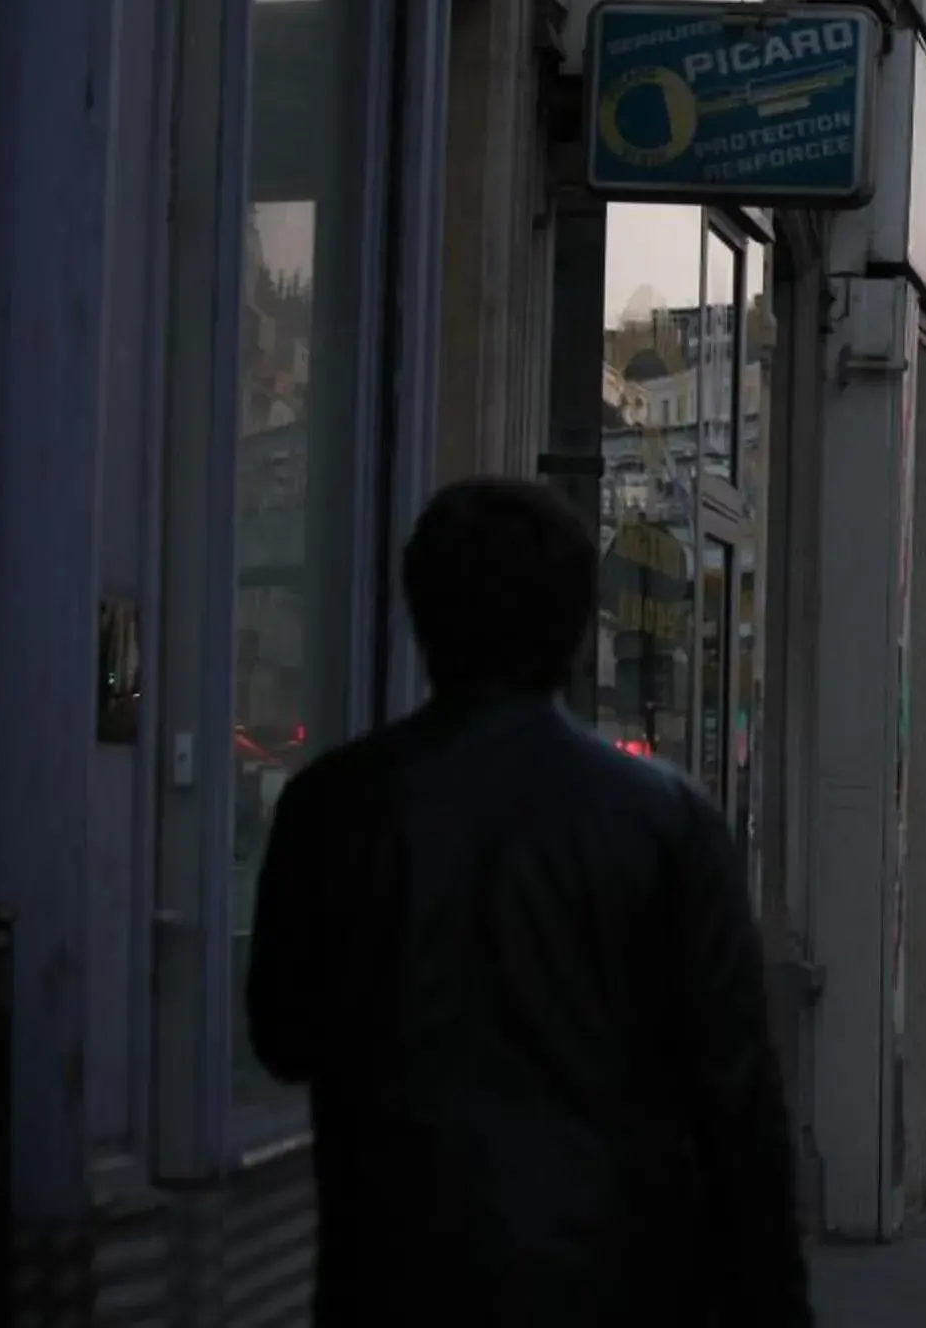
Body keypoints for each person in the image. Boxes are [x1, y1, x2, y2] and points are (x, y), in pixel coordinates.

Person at [244, 478, 810, 1328]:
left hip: (394, 1272)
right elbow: (739, 1102)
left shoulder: (336, 806)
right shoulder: (662, 820)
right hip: (609, 1276)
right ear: (580, 632)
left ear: (421, 614)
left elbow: (283, 1034)